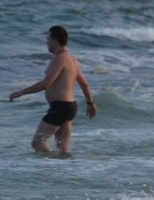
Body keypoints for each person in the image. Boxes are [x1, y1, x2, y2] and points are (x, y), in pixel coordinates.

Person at [9, 25, 97, 156]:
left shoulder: (60, 58)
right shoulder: (72, 59)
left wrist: (21, 92)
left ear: (55, 41)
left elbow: (46, 83)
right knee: (64, 150)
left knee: (37, 142)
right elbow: (85, 85)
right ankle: (63, 168)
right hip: (69, 107)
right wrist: (90, 103)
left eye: (48, 39)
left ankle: (53, 163)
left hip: (60, 108)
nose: (46, 42)